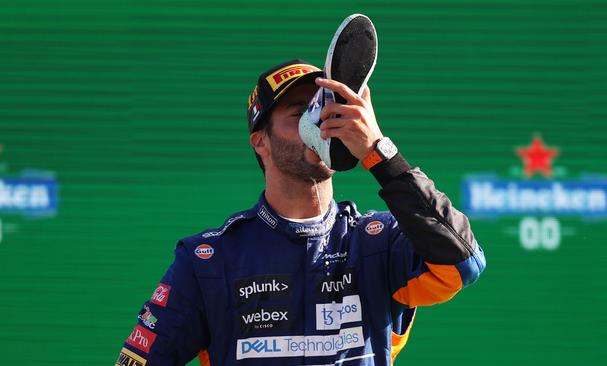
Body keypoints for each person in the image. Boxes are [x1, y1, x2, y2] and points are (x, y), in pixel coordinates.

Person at [116, 59, 486, 366]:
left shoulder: (380, 241)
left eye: (323, 109)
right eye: (299, 114)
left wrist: (378, 150)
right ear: (260, 141)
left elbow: (463, 263)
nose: (319, 123)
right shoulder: (208, 261)